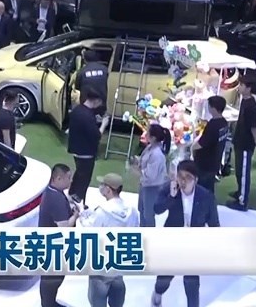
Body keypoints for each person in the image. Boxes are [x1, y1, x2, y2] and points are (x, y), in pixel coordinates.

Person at [151, 160, 220, 307]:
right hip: (172, 241)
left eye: (188, 178)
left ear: (196, 180)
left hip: (192, 244)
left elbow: (214, 222)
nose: (183, 181)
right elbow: (157, 209)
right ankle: (158, 292)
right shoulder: (170, 189)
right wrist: (171, 197)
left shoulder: (206, 197)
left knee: (191, 282)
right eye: (180, 176)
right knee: (164, 277)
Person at [79, 173, 140, 307]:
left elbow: (91, 230)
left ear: (108, 189)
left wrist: (82, 215)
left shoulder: (102, 212)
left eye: (102, 184)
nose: (100, 187)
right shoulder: (132, 211)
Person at [38, 164, 79, 307]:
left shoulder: (53, 192)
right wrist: (76, 215)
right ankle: (48, 304)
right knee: (52, 278)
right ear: (59, 178)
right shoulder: (56, 198)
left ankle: (49, 302)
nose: (71, 181)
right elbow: (64, 227)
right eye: (68, 178)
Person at [67, 88, 111, 204]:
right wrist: (103, 124)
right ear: (96, 101)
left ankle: (71, 195)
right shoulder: (87, 116)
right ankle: (77, 200)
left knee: (79, 174)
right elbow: (97, 135)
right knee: (84, 178)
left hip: (76, 149)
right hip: (86, 152)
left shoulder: (77, 110)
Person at [228, 79, 256, 211]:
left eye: (241, 85)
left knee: (243, 172)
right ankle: (240, 192)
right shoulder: (244, 100)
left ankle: (243, 202)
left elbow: (253, 127)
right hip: (239, 141)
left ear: (249, 88)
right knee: (239, 170)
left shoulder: (251, 105)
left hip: (246, 144)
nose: (239, 87)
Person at [132, 123, 171, 227]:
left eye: (147, 133)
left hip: (152, 187)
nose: (145, 134)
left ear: (153, 138)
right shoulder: (150, 147)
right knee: (141, 209)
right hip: (144, 185)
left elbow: (150, 176)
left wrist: (137, 171)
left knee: (148, 214)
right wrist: (138, 161)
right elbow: (145, 162)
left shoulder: (157, 154)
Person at [192, 96, 230, 194]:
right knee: (209, 187)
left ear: (213, 108)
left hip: (205, 164)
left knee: (203, 189)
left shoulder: (213, 125)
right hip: (215, 161)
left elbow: (201, 144)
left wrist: (192, 147)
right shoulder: (224, 123)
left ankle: (205, 203)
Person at [74, 49, 109, 116]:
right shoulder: (105, 69)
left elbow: (77, 87)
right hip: (102, 102)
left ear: (85, 60)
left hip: (87, 104)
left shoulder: (82, 71)